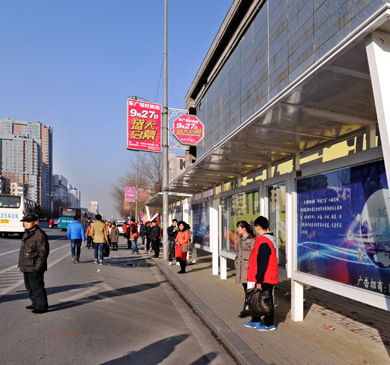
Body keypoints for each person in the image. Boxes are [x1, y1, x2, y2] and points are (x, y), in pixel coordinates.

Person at [244, 216, 278, 331]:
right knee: (255, 298)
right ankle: (256, 320)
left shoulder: (264, 242)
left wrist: (259, 280)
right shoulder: (262, 240)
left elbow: (262, 262)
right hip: (261, 276)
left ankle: (269, 324)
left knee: (266, 300)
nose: (254, 229)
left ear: (258, 227)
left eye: (255, 227)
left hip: (266, 277)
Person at [18, 214, 50, 314]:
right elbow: (22, 250)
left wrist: (38, 267)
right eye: (25, 222)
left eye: (28, 222)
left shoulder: (40, 235)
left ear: (35, 222)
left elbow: (43, 253)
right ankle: (35, 303)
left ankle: (42, 306)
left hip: (34, 266)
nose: (25, 224)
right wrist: (20, 264)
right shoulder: (27, 233)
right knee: (29, 287)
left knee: (37, 287)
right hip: (26, 265)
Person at [235, 221, 256, 318]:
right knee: (246, 288)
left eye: (239, 227)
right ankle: (248, 308)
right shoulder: (240, 240)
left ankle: (247, 309)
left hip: (249, 269)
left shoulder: (252, 240)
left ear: (244, 228)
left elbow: (255, 255)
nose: (237, 229)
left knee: (250, 290)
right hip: (241, 268)